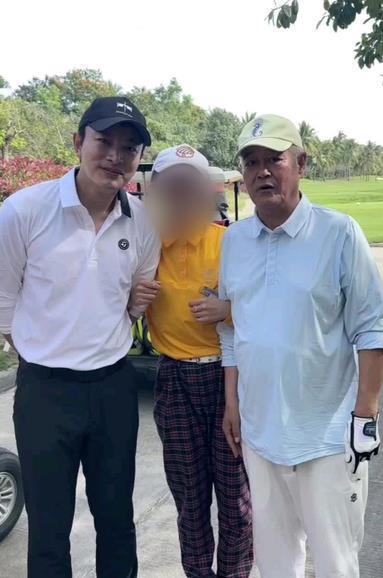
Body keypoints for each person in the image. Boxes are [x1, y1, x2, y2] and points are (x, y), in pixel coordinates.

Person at [0, 96, 160, 578]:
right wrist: (35, 349)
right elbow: (0, 297)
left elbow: (137, 295)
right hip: (46, 391)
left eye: (129, 148)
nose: (115, 156)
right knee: (49, 525)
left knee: (117, 519)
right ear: (78, 142)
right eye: (104, 141)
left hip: (113, 387)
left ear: (139, 157)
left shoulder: (142, 219)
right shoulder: (26, 210)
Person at [218, 115, 383, 577]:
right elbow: (232, 328)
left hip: (326, 435)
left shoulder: (339, 233)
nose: (262, 172)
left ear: (301, 164)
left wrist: (365, 416)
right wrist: (233, 403)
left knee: (336, 560)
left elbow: (373, 328)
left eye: (273, 159)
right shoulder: (234, 241)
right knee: (275, 561)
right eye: (251, 162)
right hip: (259, 431)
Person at [140, 144, 253, 578]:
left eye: (191, 185)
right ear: (157, 191)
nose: (183, 195)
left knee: (235, 497)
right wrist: (131, 300)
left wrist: (229, 310)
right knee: (190, 498)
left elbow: (266, 308)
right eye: (173, 186)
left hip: (230, 379)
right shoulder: (147, 247)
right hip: (175, 381)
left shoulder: (230, 242)